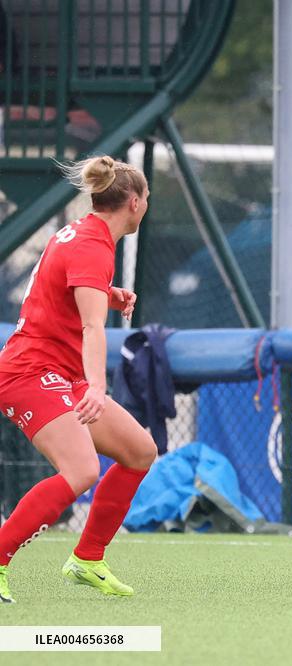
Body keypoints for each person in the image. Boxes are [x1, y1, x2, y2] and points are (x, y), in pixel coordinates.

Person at [0, 155, 156, 604]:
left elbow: (67, 286)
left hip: (56, 373)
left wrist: (110, 295)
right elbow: (91, 329)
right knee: (83, 469)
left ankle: (87, 558)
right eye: (146, 197)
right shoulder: (94, 246)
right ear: (133, 201)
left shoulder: (81, 233)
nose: (146, 204)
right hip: (30, 373)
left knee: (139, 452)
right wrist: (96, 387)